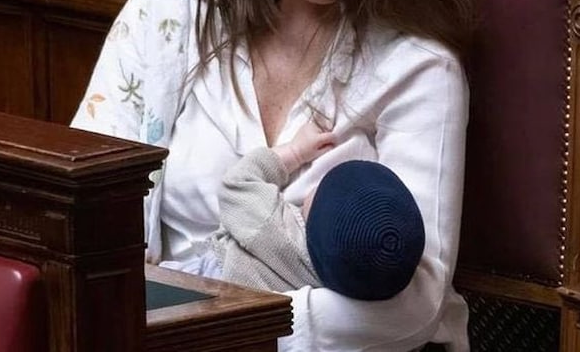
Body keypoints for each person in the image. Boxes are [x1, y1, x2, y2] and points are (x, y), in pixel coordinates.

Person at [71, 0, 472, 349]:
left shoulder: (419, 70)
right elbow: (89, 213)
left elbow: (413, 310)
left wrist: (221, 330)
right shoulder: (174, 8)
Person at [174, 120, 426, 303]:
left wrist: (295, 152)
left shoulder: (272, 224)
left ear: (314, 207)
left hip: (205, 279)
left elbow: (236, 184)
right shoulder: (338, 284)